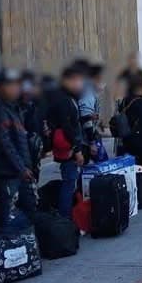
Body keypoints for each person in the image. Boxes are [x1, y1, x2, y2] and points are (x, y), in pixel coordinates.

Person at [0, 69, 35, 226]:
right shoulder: (0, 110)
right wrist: (21, 168)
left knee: (28, 209)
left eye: (17, 84)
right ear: (0, 87)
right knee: (9, 215)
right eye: (10, 84)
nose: (16, 88)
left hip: (20, 170)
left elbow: (21, 139)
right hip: (8, 172)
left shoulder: (15, 108)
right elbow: (6, 144)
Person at [48, 64, 86, 219]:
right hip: (68, 147)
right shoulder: (63, 100)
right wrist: (77, 150)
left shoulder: (69, 98)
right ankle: (66, 218)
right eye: (76, 80)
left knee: (70, 181)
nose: (79, 84)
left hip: (70, 145)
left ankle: (68, 215)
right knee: (69, 182)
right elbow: (67, 127)